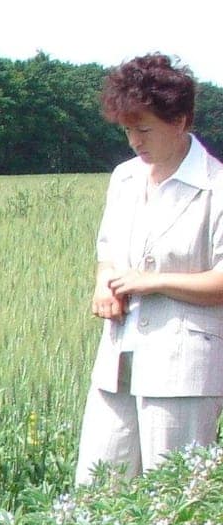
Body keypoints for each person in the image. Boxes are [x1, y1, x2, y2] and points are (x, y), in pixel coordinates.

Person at [76, 53, 223, 484]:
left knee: (173, 497)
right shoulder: (124, 179)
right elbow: (109, 253)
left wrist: (152, 281)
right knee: (97, 489)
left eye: (144, 129)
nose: (134, 142)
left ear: (179, 122)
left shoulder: (216, 188)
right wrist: (104, 285)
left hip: (185, 368)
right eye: (127, 130)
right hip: (117, 360)